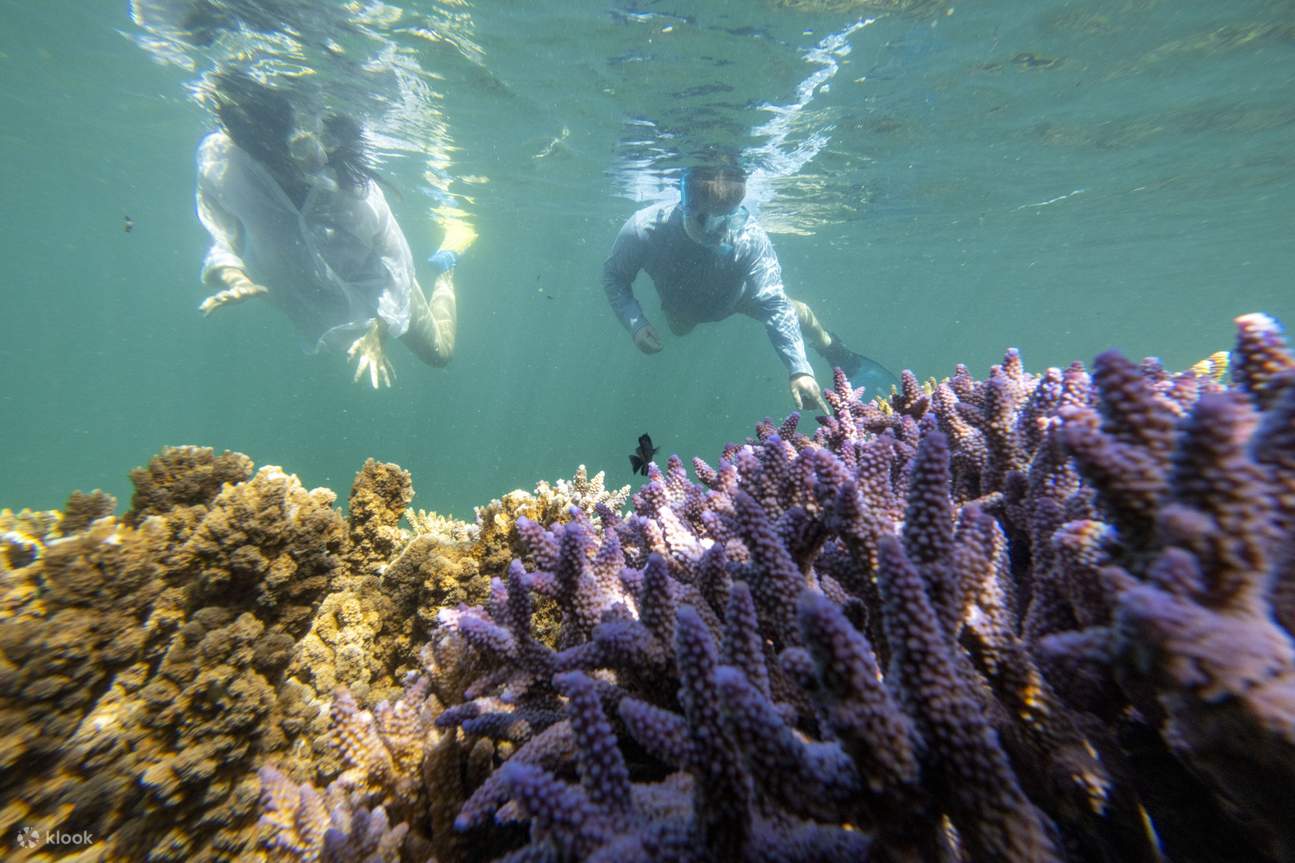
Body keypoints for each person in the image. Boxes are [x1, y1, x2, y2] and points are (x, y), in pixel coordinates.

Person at [195, 71, 468, 387]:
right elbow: (219, 233)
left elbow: (397, 260)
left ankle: (446, 264)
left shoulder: (352, 189)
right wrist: (235, 277)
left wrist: (381, 330)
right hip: (304, 293)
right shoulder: (220, 161)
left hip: (376, 285)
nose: (295, 168)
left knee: (439, 355)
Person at [601, 166, 896, 412]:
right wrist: (636, 324)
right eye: (708, 218)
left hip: (739, 298)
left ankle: (835, 351)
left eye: (730, 216)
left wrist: (799, 369)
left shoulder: (750, 236)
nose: (720, 230)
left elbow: (774, 304)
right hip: (681, 308)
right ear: (686, 205)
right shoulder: (644, 228)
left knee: (794, 311)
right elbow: (615, 276)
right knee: (678, 330)